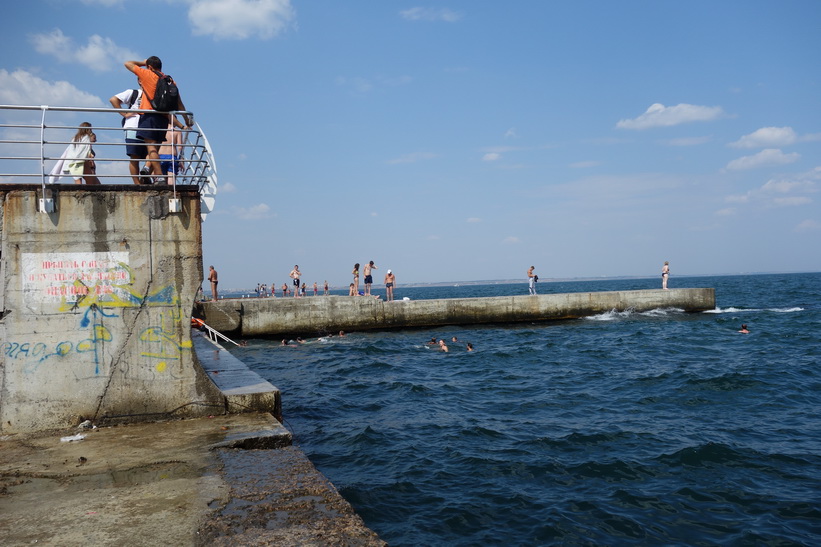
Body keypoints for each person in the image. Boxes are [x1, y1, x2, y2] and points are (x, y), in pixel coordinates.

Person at [124, 57, 192, 181]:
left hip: (149, 116)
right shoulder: (170, 81)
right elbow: (179, 103)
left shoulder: (147, 74)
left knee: (151, 148)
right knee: (157, 147)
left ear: (150, 67)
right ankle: (149, 175)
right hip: (163, 119)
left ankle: (159, 176)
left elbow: (127, 63)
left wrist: (143, 63)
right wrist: (186, 120)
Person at [109, 88, 146, 184]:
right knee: (135, 156)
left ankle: (143, 179)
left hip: (149, 126)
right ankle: (137, 184)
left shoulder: (155, 94)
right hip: (133, 126)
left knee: (152, 154)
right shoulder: (134, 93)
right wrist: (124, 114)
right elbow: (113, 99)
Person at [158, 118, 184, 185]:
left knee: (161, 178)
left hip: (160, 155)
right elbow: (180, 147)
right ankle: (171, 193)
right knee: (171, 178)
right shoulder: (177, 131)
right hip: (172, 156)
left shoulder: (160, 130)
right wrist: (181, 160)